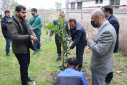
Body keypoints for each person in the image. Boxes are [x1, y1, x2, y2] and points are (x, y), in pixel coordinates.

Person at [7, 5, 37, 85]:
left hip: (26, 46)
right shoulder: (11, 23)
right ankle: (24, 82)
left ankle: (25, 77)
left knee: (27, 64)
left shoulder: (24, 20)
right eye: (22, 12)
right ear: (17, 12)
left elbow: (29, 30)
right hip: (19, 49)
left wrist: (34, 35)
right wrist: (29, 37)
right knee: (24, 65)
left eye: (25, 12)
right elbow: (15, 36)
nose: (24, 14)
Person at [86, 9, 116, 85]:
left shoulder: (107, 31)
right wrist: (93, 47)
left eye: (92, 19)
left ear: (98, 18)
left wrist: (89, 41)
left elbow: (100, 51)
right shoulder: (106, 27)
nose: (92, 21)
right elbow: (103, 46)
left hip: (100, 68)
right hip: (103, 65)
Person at [101, 5, 120, 84]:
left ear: (108, 12)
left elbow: (111, 36)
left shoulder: (113, 21)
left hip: (110, 46)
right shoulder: (108, 20)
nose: (102, 14)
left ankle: (108, 79)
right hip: (107, 45)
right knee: (106, 61)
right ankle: (106, 76)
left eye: (103, 12)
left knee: (108, 62)